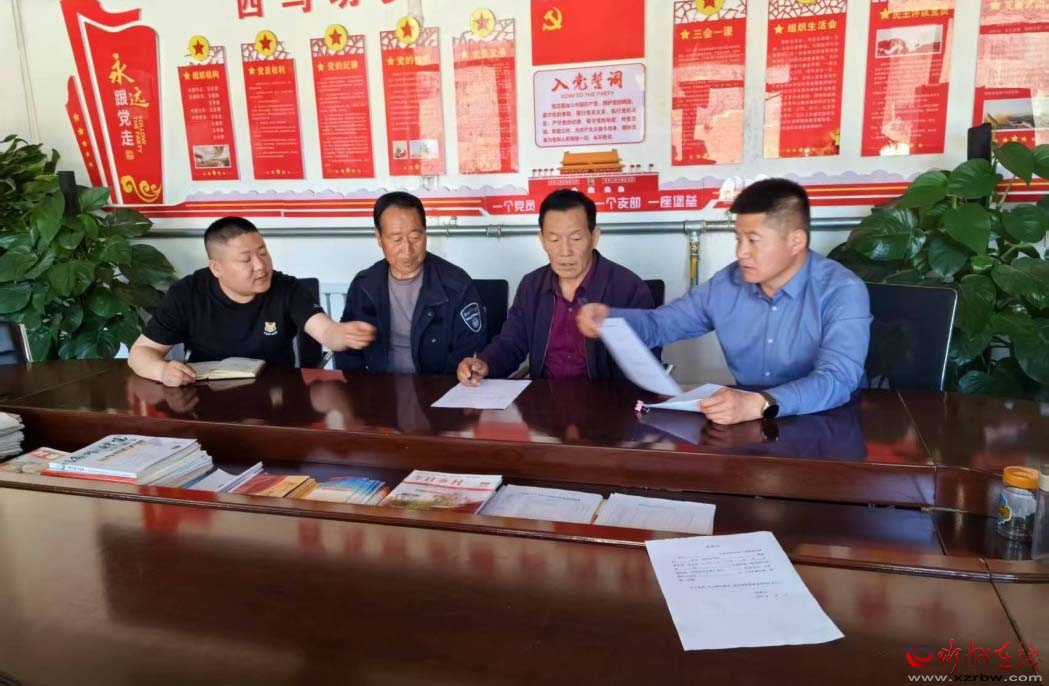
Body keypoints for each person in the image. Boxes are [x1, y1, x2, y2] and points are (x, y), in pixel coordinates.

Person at [577, 178, 871, 425]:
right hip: (749, 422)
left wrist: (759, 403)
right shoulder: (728, 284)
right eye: (738, 238)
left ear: (796, 241)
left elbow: (838, 378)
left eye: (753, 240)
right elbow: (661, 324)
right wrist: (609, 321)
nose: (741, 252)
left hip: (829, 421)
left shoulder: (841, 290)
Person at [128, 216, 376, 387]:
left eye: (263, 253)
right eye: (246, 259)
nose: (260, 266)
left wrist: (342, 334)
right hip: (207, 402)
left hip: (276, 400)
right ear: (216, 268)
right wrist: (162, 371)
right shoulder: (187, 293)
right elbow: (140, 353)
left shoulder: (286, 288)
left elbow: (326, 331)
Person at [457, 189, 653, 385]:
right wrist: (484, 363)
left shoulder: (629, 289)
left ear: (594, 237)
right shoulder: (531, 286)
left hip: (606, 400)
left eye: (576, 239)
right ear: (542, 240)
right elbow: (511, 344)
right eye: (554, 240)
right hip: (543, 399)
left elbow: (646, 366)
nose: (565, 251)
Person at [334, 191, 486, 374]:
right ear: (379, 238)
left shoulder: (456, 285)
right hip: (380, 385)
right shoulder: (364, 286)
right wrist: (361, 387)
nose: (407, 250)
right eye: (396, 239)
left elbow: (470, 351)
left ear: (425, 233)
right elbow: (347, 351)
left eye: (415, 237)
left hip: (439, 385)